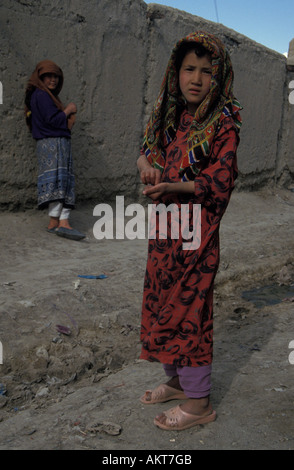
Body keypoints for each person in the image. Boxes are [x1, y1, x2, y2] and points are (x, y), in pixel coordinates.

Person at [137, 31, 242, 431]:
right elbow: (147, 150)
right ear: (175, 72)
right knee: (163, 303)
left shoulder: (224, 123)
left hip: (196, 237)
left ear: (221, 77)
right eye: (188, 69)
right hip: (165, 235)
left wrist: (171, 185)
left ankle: (198, 404)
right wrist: (146, 167)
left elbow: (219, 183)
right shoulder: (172, 116)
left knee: (190, 312)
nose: (196, 78)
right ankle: (179, 382)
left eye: (206, 71)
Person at [25, 60, 85, 241]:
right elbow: (53, 120)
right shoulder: (42, 95)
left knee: (55, 181)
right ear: (41, 77)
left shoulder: (39, 95)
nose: (53, 80)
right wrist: (68, 110)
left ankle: (53, 221)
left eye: (56, 77)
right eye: (49, 76)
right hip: (55, 144)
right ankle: (64, 222)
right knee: (63, 181)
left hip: (47, 144)